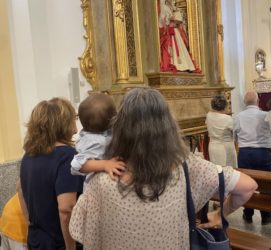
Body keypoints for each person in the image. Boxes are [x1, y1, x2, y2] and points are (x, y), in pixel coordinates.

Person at [69, 87, 257, 249]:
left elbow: (81, 232)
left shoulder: (101, 179)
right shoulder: (187, 166)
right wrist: (220, 214)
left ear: (119, 126)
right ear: (167, 126)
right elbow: (247, 186)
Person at [19, 98, 85, 250]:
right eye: (73, 119)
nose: (75, 128)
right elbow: (66, 209)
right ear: (62, 123)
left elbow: (20, 190)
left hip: (37, 239)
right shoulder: (67, 156)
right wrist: (71, 247)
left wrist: (31, 223)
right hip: (59, 242)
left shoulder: (29, 155)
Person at [234, 91, 271, 224]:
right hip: (263, 152)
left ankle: (248, 213)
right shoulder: (265, 115)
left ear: (245, 103)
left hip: (245, 153)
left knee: (245, 185)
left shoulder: (239, 116)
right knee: (265, 185)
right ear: (258, 101)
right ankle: (266, 215)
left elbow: (235, 136)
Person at [71, 93, 125, 183]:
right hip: (95, 186)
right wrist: (104, 164)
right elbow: (77, 165)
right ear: (112, 119)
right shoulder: (93, 141)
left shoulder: (104, 132)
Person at [159, 0, 199, 72]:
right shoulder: (164, 7)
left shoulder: (174, 8)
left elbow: (178, 21)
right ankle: (175, 64)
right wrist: (169, 21)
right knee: (172, 47)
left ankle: (185, 65)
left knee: (180, 47)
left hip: (175, 31)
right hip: (169, 31)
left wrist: (176, 21)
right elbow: (162, 20)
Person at [206, 95, 238, 168]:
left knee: (216, 170)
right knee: (229, 172)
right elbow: (235, 132)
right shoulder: (228, 118)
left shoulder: (209, 115)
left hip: (213, 147)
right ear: (225, 106)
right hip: (225, 148)